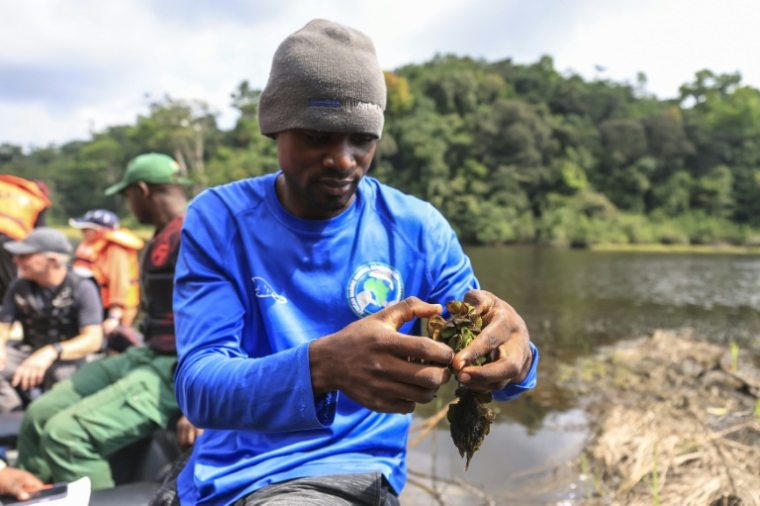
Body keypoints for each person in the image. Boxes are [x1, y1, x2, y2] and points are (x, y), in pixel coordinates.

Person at [159, 19, 539, 506]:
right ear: (275, 126)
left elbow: (494, 363)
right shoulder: (221, 218)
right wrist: (324, 365)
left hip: (343, 475)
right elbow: (199, 388)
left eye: (361, 138)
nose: (343, 160)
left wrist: (517, 354)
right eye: (318, 137)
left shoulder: (417, 229)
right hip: (224, 474)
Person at [15, 153, 203, 490]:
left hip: (181, 365)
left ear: (142, 190)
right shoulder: (163, 234)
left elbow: (236, 317)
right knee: (39, 415)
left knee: (66, 436)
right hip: (148, 352)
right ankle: (35, 492)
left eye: (127, 195)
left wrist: (203, 405)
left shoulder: (196, 232)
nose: (128, 204)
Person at [0, 228, 103, 412]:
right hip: (28, 352)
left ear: (52, 260)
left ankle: (52, 420)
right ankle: (13, 417)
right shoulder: (20, 285)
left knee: (62, 376)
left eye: (25, 256)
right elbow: (3, 325)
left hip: (68, 358)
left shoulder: (83, 287)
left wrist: (51, 352)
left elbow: (93, 340)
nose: (16, 260)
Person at [70, 209, 144, 350]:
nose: (83, 232)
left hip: (112, 310)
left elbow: (119, 282)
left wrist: (114, 316)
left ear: (99, 231)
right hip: (96, 305)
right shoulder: (91, 245)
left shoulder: (115, 249)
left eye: (87, 229)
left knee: (112, 345)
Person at [0, 175, 51, 305]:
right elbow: (39, 234)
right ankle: (9, 315)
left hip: (7, 238)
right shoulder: (37, 199)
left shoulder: (4, 186)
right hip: (10, 242)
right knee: (10, 284)